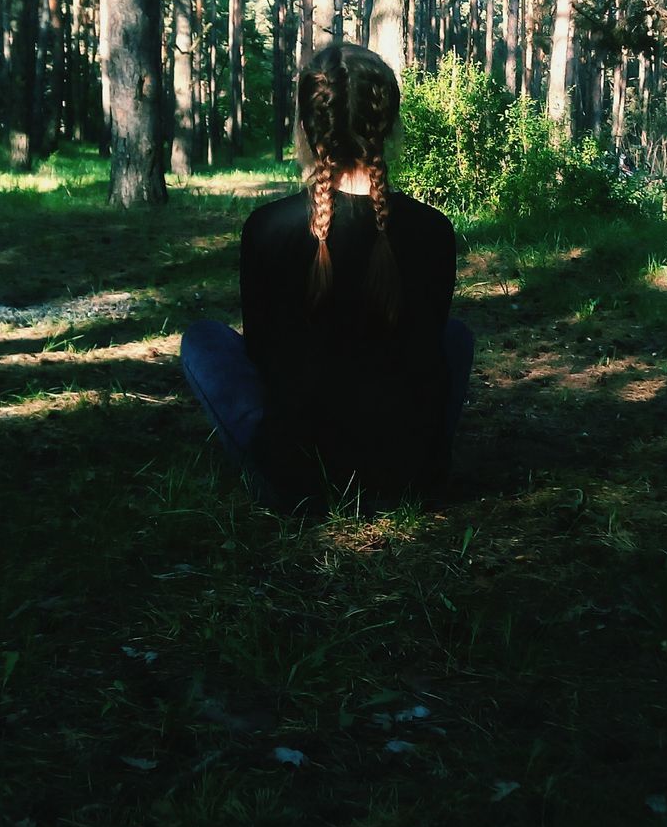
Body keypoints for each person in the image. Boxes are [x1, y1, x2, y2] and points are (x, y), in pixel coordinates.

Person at [181, 42, 473, 513]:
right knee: (455, 337)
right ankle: (414, 460)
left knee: (201, 339)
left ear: (304, 127)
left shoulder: (267, 228)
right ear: (391, 126)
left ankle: (279, 469)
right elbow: (425, 350)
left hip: (297, 477)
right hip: (406, 472)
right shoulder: (433, 229)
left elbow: (262, 357)